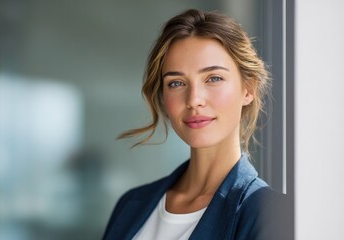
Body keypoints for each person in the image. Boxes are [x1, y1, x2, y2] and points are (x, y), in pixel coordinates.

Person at [103, 9, 287, 240]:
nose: (193, 100)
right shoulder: (131, 204)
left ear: (248, 88)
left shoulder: (269, 214)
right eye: (177, 83)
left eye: (213, 78)